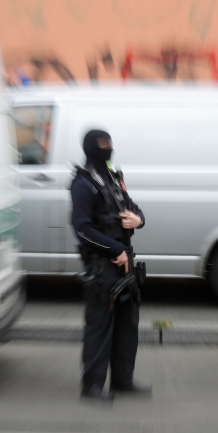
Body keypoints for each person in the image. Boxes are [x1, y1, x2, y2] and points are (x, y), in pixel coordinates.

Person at [70, 129, 150, 402]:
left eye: (110, 143)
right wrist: (114, 249)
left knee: (127, 326)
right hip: (102, 266)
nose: (108, 148)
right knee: (100, 326)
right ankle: (92, 386)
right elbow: (82, 229)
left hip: (125, 264)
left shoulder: (114, 177)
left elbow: (133, 207)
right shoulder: (83, 184)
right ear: (90, 147)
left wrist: (138, 219)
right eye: (102, 144)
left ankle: (122, 380)